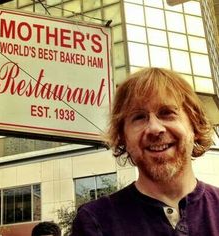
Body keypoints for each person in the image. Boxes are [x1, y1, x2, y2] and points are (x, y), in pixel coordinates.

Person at [71, 67, 219, 235]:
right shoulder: (95, 221)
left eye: (167, 113)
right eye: (139, 117)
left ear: (195, 125)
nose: (155, 128)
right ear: (123, 137)